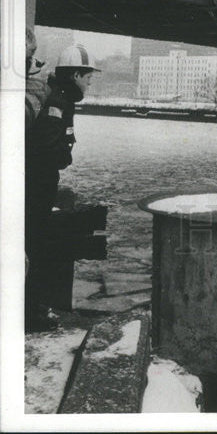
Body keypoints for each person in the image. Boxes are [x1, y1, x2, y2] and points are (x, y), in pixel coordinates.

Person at [25, 45, 100, 331]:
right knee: (34, 245)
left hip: (37, 184)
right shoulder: (58, 102)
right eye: (88, 77)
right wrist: (63, 156)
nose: (90, 82)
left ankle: (32, 308)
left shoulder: (60, 97)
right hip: (38, 185)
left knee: (33, 245)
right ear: (77, 75)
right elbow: (48, 148)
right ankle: (30, 314)